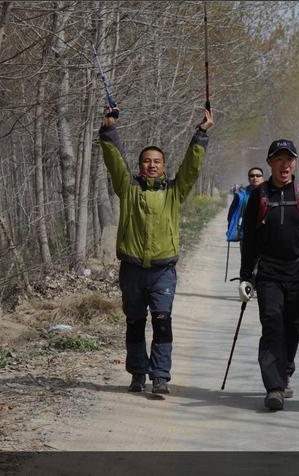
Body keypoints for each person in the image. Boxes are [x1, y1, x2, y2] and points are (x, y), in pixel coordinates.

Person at [99, 104, 214, 394]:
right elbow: (114, 162)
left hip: (163, 271)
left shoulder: (174, 192)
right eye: (147, 161)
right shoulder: (129, 189)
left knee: (162, 323)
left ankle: (160, 376)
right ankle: (138, 373)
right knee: (135, 324)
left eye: (157, 161)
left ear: (164, 166)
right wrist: (109, 130)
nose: (152, 165)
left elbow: (191, 168)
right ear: (140, 165)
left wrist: (200, 135)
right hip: (132, 270)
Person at [238, 139, 299, 411]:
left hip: (298, 271)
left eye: (289, 159)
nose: (285, 164)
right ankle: (275, 387)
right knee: (272, 325)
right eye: (279, 159)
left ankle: (286, 368)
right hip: (268, 271)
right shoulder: (259, 196)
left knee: (292, 326)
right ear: (270, 163)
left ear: (294, 162)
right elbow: (250, 239)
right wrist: (246, 276)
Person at [226, 167, 265, 243]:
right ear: (248, 179)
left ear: (262, 178)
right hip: (246, 234)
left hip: (265, 234)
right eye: (252, 175)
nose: (255, 177)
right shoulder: (241, 195)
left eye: (258, 175)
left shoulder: (270, 193)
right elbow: (232, 214)